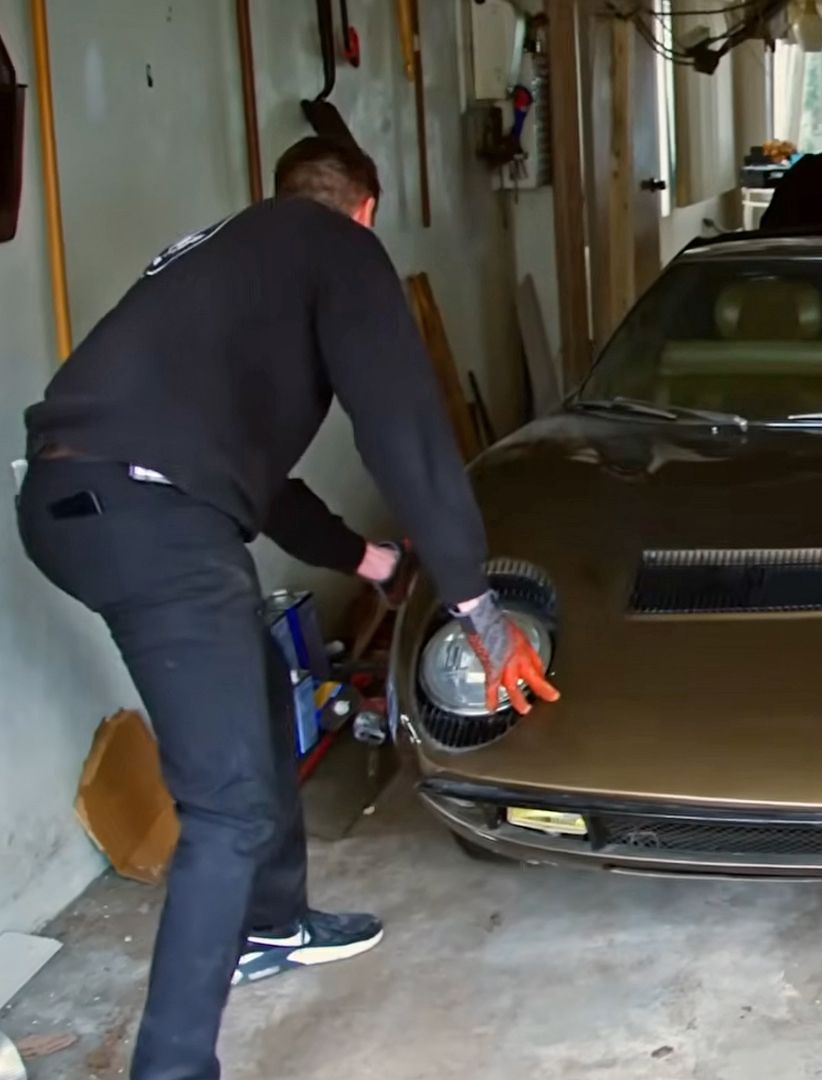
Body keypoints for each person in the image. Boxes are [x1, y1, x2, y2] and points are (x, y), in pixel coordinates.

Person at [16, 137, 559, 1080]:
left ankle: (270, 922)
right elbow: (404, 427)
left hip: (70, 507)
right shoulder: (338, 250)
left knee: (260, 683)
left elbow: (250, 480)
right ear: (367, 209)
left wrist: (369, 557)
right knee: (224, 808)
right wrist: (477, 602)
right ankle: (176, 1066)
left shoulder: (227, 255)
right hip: (153, 518)